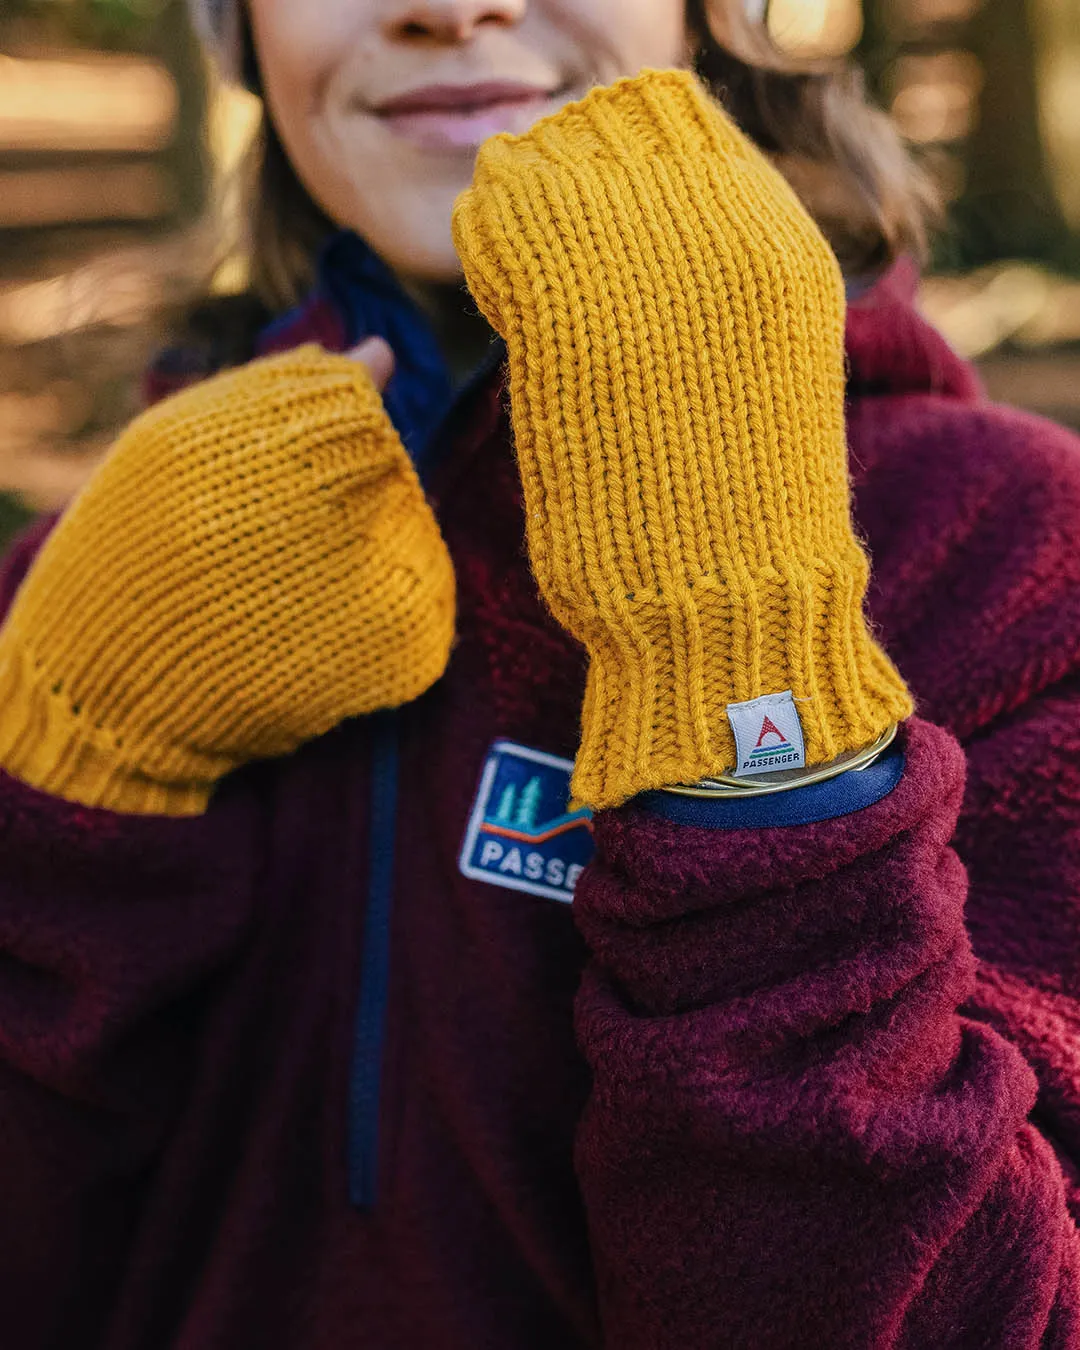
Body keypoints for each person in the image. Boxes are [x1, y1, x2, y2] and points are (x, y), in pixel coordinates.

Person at [1, 0, 1079, 1346]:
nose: (450, 5)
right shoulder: (109, 548)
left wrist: (762, 726)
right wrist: (60, 793)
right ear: (238, 30)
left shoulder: (1012, 550)